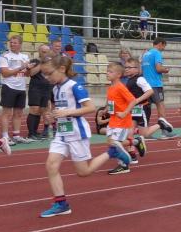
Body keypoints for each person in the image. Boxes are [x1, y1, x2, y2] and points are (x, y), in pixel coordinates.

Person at [39, 55, 131, 217]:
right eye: (45, 75)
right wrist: (52, 115)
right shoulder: (55, 89)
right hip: (61, 133)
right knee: (51, 165)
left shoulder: (75, 86)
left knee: (84, 172)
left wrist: (68, 112)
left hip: (76, 132)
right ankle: (61, 204)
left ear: (62, 69)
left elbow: (90, 107)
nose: (47, 78)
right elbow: (60, 109)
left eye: (49, 73)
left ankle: (112, 152)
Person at [103, 62, 140, 175]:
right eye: (107, 71)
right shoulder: (110, 87)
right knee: (110, 143)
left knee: (115, 143)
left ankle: (124, 165)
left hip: (122, 120)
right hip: (113, 120)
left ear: (118, 74)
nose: (107, 73)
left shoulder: (120, 87)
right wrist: (106, 109)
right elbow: (111, 101)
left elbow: (133, 100)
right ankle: (136, 141)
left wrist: (125, 113)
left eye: (110, 72)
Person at [0, 34, 33, 145]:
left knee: (18, 113)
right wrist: (21, 67)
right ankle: (5, 137)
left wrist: (28, 68)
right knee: (6, 113)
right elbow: (5, 73)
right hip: (9, 86)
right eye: (11, 42)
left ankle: (16, 135)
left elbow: (28, 74)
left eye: (15, 42)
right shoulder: (5, 56)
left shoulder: (25, 57)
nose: (12, 44)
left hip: (21, 87)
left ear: (20, 44)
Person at [140, 37, 176, 137]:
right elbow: (158, 68)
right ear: (160, 44)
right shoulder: (157, 53)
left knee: (147, 108)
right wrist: (166, 70)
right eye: (164, 46)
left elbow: (141, 70)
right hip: (155, 84)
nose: (163, 49)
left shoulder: (145, 54)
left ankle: (146, 131)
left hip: (146, 85)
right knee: (161, 106)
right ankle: (165, 131)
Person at [26, 43, 54, 140]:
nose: (45, 53)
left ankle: (36, 132)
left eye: (46, 51)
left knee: (42, 110)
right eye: (43, 51)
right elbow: (31, 73)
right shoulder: (34, 61)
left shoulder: (52, 62)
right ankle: (31, 133)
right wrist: (41, 63)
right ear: (39, 52)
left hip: (47, 89)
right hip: (35, 88)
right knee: (34, 109)